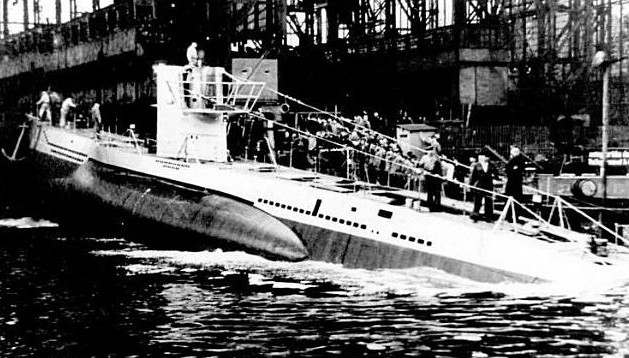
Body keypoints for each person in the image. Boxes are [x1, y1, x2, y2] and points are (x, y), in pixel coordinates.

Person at [469, 152, 499, 222]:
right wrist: (471, 185)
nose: (485, 158)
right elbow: (473, 176)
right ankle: (475, 216)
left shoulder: (492, 165)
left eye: (487, 157)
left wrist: (493, 177)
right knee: (477, 201)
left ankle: (488, 217)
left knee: (488, 201)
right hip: (479, 184)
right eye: (483, 156)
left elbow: (496, 174)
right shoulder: (477, 165)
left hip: (488, 185)